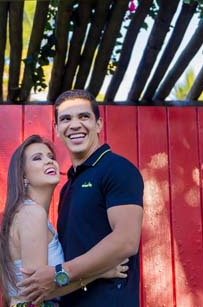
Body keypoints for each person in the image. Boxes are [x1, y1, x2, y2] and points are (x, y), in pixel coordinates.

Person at [17, 90, 144, 306]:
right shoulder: (68, 186)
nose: (75, 125)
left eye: (83, 117)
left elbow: (126, 241)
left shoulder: (117, 169)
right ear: (57, 129)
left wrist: (60, 273)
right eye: (66, 119)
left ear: (99, 124)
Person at [0, 134, 128, 307]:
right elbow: (39, 290)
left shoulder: (28, 213)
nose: (49, 161)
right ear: (23, 177)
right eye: (38, 158)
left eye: (51, 157)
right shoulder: (32, 213)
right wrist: (100, 272)